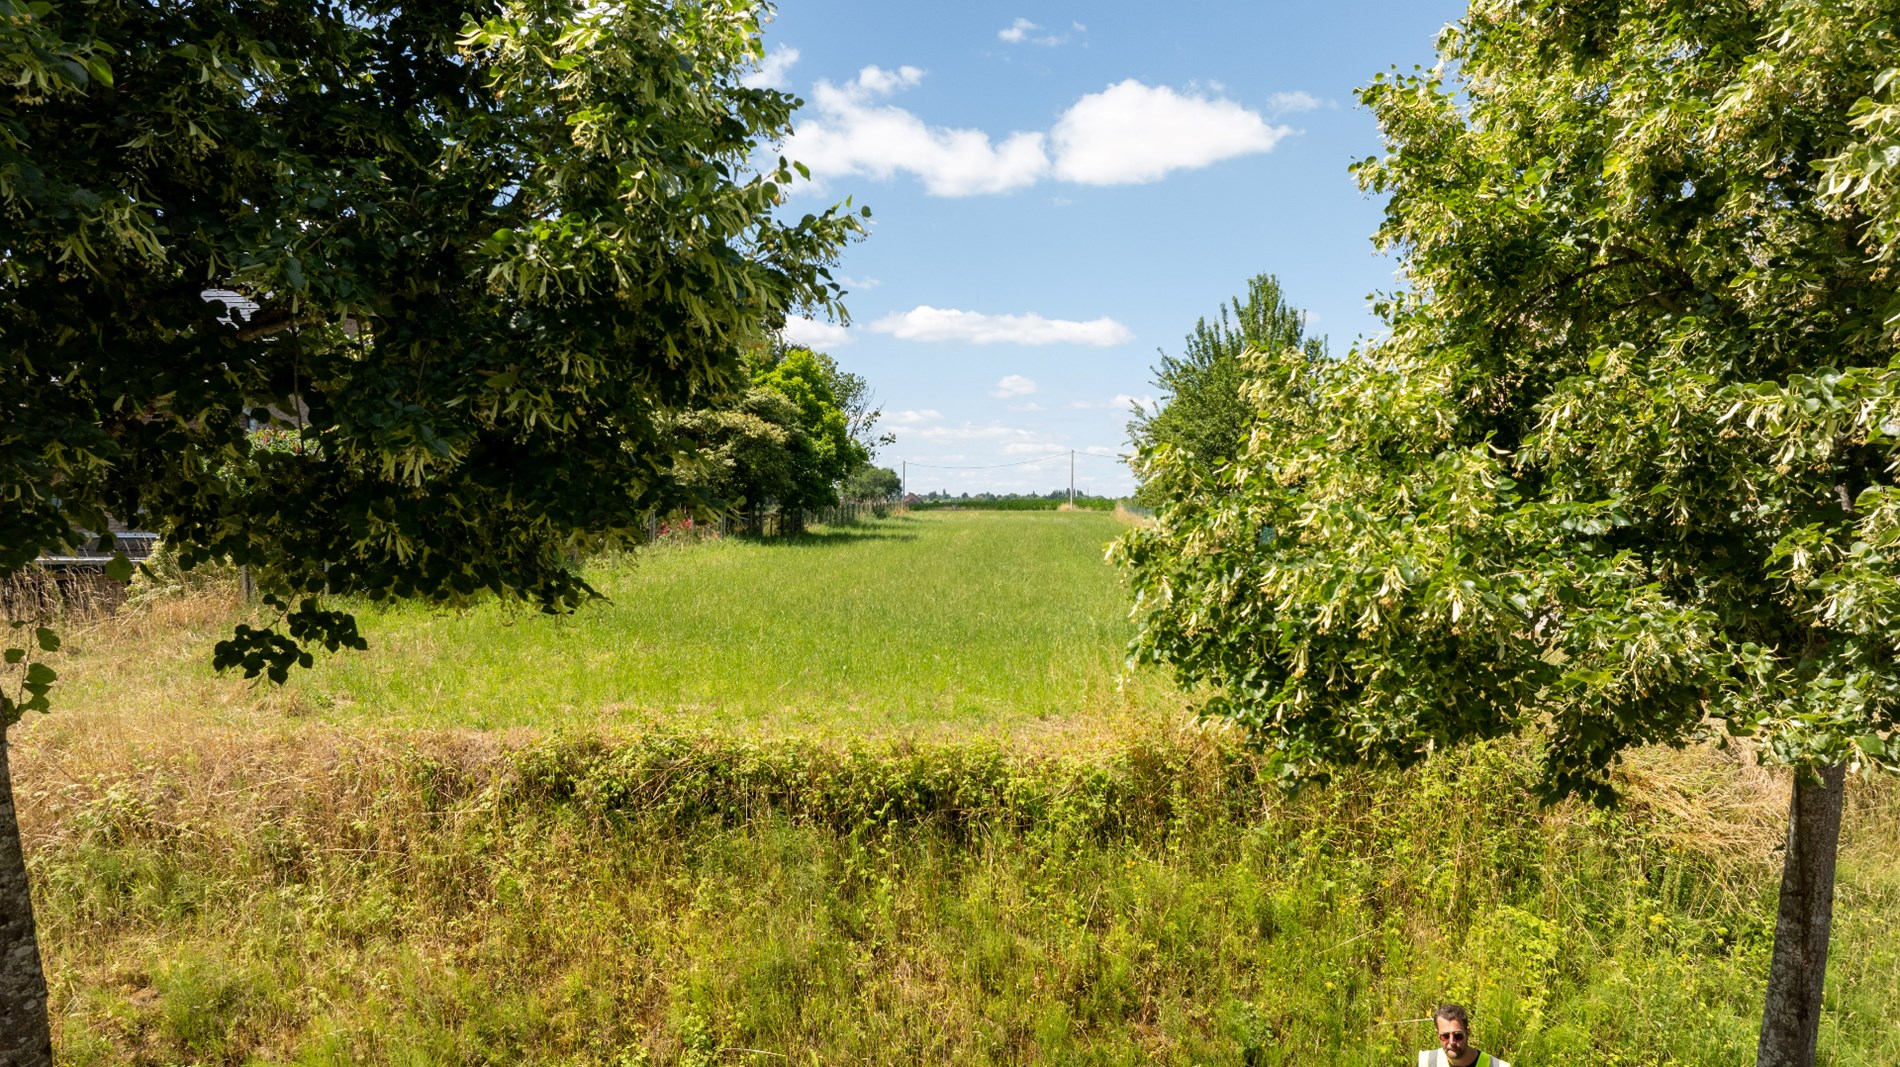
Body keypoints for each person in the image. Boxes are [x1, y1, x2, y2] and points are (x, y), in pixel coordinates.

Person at [1417, 1003, 1509, 1067]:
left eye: (1457, 1035)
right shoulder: (1426, 1062)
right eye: (1445, 1036)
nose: (1452, 1042)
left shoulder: (1497, 1065)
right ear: (1437, 1034)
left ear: (1468, 1032)